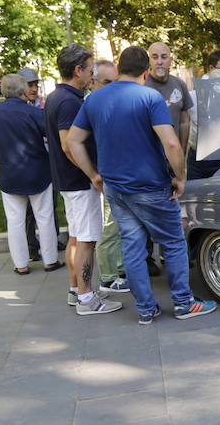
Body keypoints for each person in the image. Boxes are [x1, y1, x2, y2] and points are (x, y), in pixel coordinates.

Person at [68, 45, 217, 325]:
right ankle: (184, 303)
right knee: (173, 242)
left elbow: (72, 141)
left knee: (132, 246)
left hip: (115, 188)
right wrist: (181, 177)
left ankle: (146, 309)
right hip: (150, 187)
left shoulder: (94, 99)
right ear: (146, 72)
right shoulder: (150, 97)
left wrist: (93, 174)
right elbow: (171, 142)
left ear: (119, 68)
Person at [44, 44, 122, 315]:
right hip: (78, 182)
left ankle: (76, 290)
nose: (92, 76)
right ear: (78, 70)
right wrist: (93, 175)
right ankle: (88, 299)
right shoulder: (69, 101)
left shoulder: (56, 96)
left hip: (69, 181)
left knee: (77, 238)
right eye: (90, 70)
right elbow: (69, 145)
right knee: (86, 240)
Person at [0, 74, 60, 275]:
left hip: (10, 174)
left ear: (2, 90)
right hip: (39, 173)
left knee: (15, 221)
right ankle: (50, 260)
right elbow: (53, 138)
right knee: (44, 218)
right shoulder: (34, 113)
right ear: (23, 90)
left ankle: (21, 264)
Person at [144, 42, 192, 276]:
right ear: (149, 61)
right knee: (147, 211)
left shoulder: (179, 85)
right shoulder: (143, 87)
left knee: (174, 207)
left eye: (164, 56)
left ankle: (169, 253)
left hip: (175, 157)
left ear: (171, 59)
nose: (160, 61)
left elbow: (184, 121)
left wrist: (182, 151)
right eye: (155, 57)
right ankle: (146, 257)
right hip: (150, 160)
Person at [89, 60, 129, 293]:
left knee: (119, 225)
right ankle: (107, 277)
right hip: (103, 177)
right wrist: (95, 174)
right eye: (107, 82)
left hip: (118, 173)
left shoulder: (111, 103)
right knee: (108, 228)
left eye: (116, 81)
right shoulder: (91, 106)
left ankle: (120, 270)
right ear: (93, 82)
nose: (113, 86)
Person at [18, 67, 62, 260]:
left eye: (36, 84)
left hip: (48, 162)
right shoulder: (18, 109)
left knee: (50, 204)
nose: (34, 88)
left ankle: (53, 240)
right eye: (30, 85)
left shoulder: (44, 106)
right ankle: (32, 246)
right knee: (28, 211)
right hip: (26, 164)